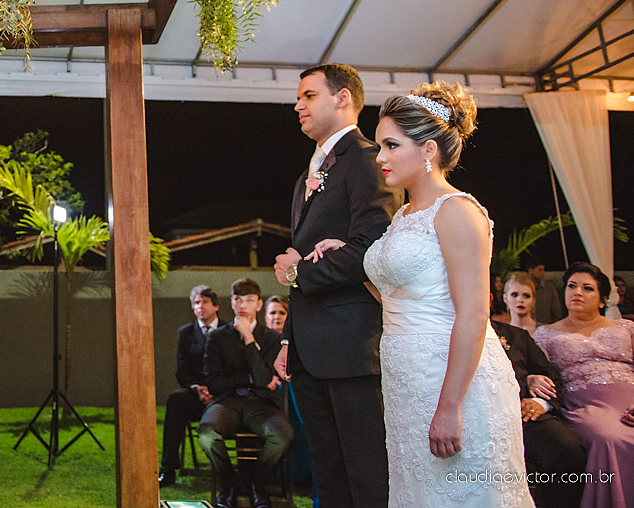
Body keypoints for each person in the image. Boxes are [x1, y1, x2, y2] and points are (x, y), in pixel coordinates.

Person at [355, 82, 533, 507]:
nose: (380, 157)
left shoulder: (457, 211)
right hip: (406, 379)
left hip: (450, 379)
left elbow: (474, 314)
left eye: (390, 145)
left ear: (429, 150)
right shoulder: (403, 215)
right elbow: (404, 294)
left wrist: (450, 405)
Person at [272, 63, 401, 508]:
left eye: (308, 95)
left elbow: (373, 248)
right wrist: (290, 337)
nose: (297, 105)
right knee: (327, 471)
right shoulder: (306, 175)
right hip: (310, 349)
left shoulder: (366, 159)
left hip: (352, 347)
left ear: (343, 98)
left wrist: (296, 272)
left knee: (366, 472)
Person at [533, 262, 634, 508]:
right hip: (585, 407)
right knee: (607, 436)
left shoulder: (626, 328)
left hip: (629, 402)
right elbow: (532, 368)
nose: (577, 292)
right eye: (571, 286)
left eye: (587, 288)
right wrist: (532, 377)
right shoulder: (545, 335)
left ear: (603, 299)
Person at [199, 279, 292, 508]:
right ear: (231, 302)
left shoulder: (271, 338)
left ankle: (255, 482)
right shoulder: (218, 336)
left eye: (249, 300)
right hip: (227, 402)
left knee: (282, 437)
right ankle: (229, 483)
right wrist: (252, 379)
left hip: (261, 405)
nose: (243, 305)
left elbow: (263, 379)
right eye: (238, 299)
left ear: (259, 304)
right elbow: (214, 384)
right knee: (207, 435)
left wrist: (249, 339)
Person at [490, 319, 587, 508]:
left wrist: (540, 402)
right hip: (475, 417)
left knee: (567, 449)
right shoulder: (443, 331)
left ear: (490, 299)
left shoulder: (517, 336)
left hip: (524, 415)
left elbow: (552, 377)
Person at [160, 285, 224, 487]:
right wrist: (197, 388)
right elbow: (183, 371)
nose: (200, 307)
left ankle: (242, 474)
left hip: (223, 395)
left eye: (204, 302)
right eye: (196, 303)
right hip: (197, 395)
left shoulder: (228, 330)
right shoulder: (186, 333)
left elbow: (234, 369)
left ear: (216, 306)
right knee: (176, 399)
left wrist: (215, 390)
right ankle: (168, 469)